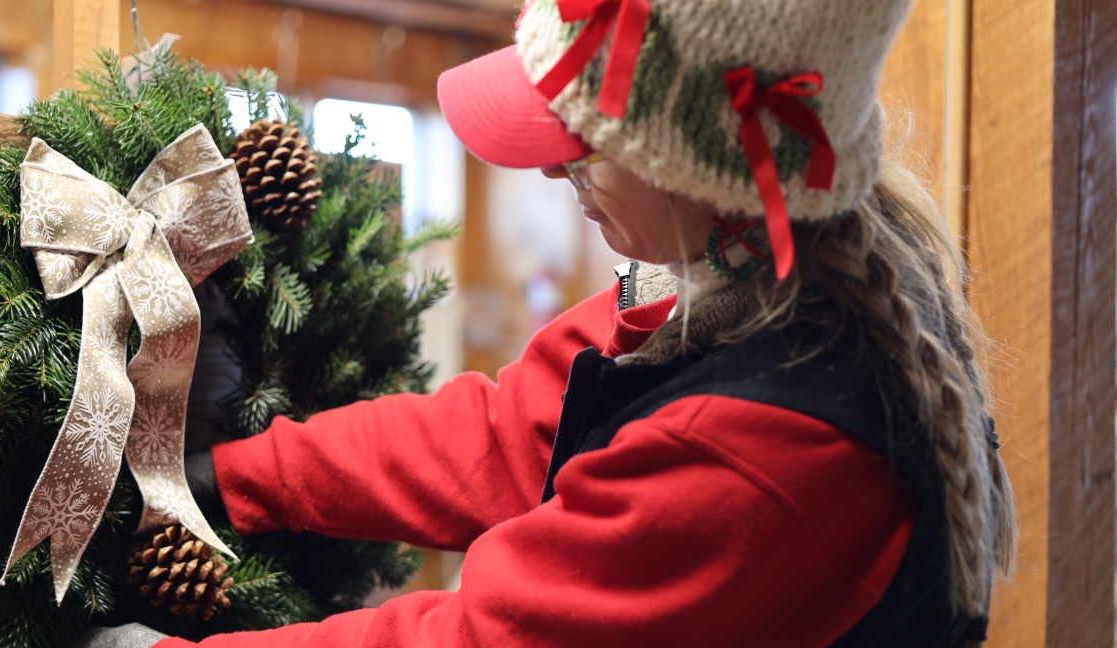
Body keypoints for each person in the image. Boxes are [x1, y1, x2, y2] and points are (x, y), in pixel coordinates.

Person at [85, 0, 1017, 646]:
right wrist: (228, 476)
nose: (543, 171)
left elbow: (484, 639)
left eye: (581, 149)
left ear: (700, 173)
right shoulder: (722, 279)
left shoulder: (755, 445)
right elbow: (499, 433)